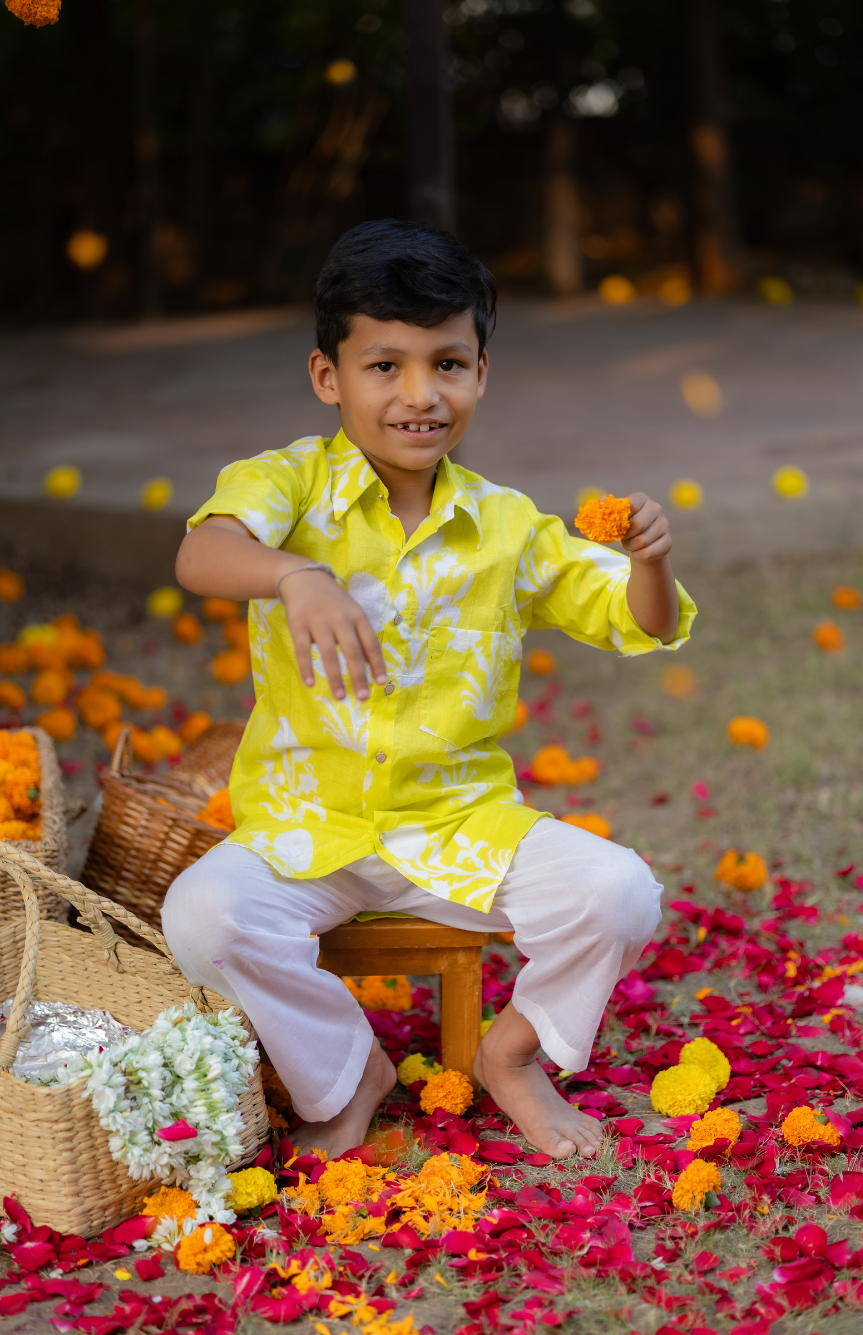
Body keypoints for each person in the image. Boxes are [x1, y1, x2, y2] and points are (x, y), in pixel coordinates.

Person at [163, 218, 696, 1162]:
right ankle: (347, 1073)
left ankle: (512, 1055)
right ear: (328, 376)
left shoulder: (506, 527)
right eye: (384, 366)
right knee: (201, 915)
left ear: (481, 372)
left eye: (447, 364)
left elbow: (640, 621)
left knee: (619, 893)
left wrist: (648, 558)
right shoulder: (286, 484)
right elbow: (204, 552)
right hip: (303, 822)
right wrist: (297, 575)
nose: (420, 394)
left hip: (459, 825)